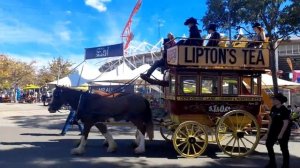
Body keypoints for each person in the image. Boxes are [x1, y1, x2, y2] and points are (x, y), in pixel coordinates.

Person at [265, 93, 291, 168]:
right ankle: (272, 163)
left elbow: (285, 123)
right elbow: (270, 120)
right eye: (273, 99)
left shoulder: (284, 110)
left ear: (279, 101)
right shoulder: (273, 108)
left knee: (283, 148)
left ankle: (286, 165)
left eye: (274, 99)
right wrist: (268, 131)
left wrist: (281, 134)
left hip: (283, 131)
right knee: (268, 144)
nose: (272, 100)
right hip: (273, 130)